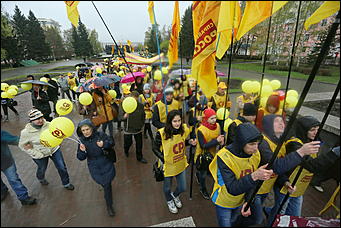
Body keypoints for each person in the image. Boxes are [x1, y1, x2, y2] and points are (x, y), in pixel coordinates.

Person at [209, 122, 320, 227]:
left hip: (240, 199)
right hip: (224, 201)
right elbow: (233, 188)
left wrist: (248, 200)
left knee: (237, 220)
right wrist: (255, 176)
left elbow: (274, 167)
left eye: (257, 144)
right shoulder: (223, 157)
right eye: (252, 144)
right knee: (225, 223)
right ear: (240, 142)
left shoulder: (255, 154)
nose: (256, 148)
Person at [266, 116, 340, 226]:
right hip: (287, 186)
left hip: (300, 187)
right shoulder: (294, 144)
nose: (316, 132)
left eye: (318, 129)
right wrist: (335, 152)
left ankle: (269, 211)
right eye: (312, 129)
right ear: (303, 130)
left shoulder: (313, 141)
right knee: (279, 215)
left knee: (295, 216)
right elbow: (311, 165)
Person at [152, 110, 197, 214]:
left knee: (182, 187)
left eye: (179, 120)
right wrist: (164, 158)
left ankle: (175, 195)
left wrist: (189, 142)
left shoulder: (183, 130)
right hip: (168, 166)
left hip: (180, 163)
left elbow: (180, 143)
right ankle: (169, 200)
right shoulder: (162, 133)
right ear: (169, 122)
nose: (177, 123)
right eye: (174, 121)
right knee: (167, 188)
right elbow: (154, 148)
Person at [18, 109, 75, 190]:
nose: (41, 120)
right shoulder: (26, 132)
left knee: (62, 167)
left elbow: (57, 134)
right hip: (40, 154)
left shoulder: (49, 125)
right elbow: (22, 145)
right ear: (31, 120)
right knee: (42, 169)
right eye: (37, 119)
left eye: (41, 118)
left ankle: (66, 183)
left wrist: (58, 141)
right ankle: (40, 178)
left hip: (54, 150)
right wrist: (36, 154)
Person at [76, 119, 116, 217]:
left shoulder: (100, 135)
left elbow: (111, 142)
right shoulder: (81, 141)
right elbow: (80, 158)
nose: (85, 132)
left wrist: (104, 144)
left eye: (87, 129)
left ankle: (109, 205)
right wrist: (82, 151)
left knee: (107, 184)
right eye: (83, 130)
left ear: (92, 128)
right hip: (94, 165)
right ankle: (107, 193)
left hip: (106, 161)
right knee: (104, 184)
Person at [1, 130, 37, 205]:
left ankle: (23, 197)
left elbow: (14, 139)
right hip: (6, 161)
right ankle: (3, 190)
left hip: (6, 162)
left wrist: (28, 144)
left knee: (13, 179)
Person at [195, 108, 224, 200]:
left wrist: (221, 141)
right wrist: (216, 141)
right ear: (206, 119)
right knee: (203, 175)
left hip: (213, 154)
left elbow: (219, 136)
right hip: (202, 155)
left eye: (215, 117)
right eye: (211, 118)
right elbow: (203, 145)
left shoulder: (218, 126)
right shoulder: (201, 130)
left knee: (211, 170)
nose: (214, 120)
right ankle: (203, 189)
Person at [123, 91, 147, 163]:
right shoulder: (124, 104)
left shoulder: (140, 106)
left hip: (138, 128)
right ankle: (126, 150)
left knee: (139, 144)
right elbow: (120, 117)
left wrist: (142, 124)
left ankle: (139, 157)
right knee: (128, 143)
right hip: (128, 129)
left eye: (136, 99)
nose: (135, 101)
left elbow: (143, 115)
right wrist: (124, 116)